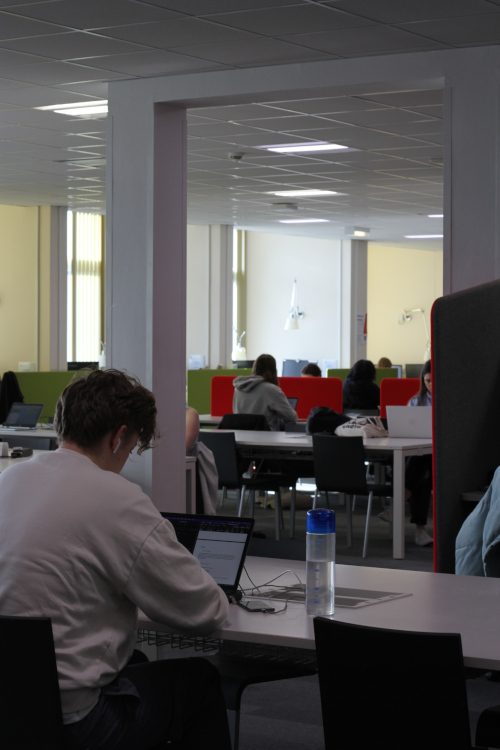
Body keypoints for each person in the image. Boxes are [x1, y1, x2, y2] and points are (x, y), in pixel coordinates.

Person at [0, 369, 231, 750]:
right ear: (119, 436)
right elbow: (204, 611)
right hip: (75, 723)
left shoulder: (9, 481)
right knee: (200, 681)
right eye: (131, 448)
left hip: (11, 710)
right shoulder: (117, 498)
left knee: (135, 661)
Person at [379, 360, 433, 547]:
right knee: (422, 474)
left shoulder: (449, 401)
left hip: (442, 455)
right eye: (427, 381)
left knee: (422, 466)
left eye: (434, 381)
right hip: (419, 454)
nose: (431, 385)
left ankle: (396, 507)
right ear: (422, 380)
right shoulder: (416, 401)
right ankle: (420, 532)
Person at [233, 353, 298, 431]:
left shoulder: (239, 388)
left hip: (240, 436)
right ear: (274, 370)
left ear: (254, 368)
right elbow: (291, 417)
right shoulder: (271, 389)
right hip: (265, 438)